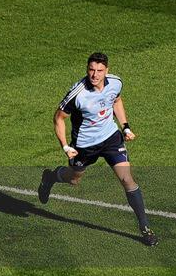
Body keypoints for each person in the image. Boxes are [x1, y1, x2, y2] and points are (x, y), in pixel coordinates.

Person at [37, 52, 158, 246]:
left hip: (111, 139)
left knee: (127, 180)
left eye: (99, 71)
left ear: (106, 71)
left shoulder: (116, 82)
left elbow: (116, 101)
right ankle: (51, 177)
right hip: (85, 146)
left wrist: (125, 126)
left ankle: (145, 228)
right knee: (74, 179)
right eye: (91, 70)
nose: (95, 75)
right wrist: (66, 146)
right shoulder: (78, 93)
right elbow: (59, 118)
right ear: (87, 70)